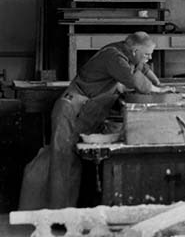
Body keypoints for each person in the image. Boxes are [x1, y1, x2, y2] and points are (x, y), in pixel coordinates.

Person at [19, 31, 172, 209]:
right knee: (62, 164)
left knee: (70, 165)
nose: (150, 57)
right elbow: (137, 83)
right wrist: (157, 90)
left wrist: (160, 85)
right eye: (147, 54)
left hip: (83, 111)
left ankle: (65, 214)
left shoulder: (127, 52)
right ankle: (57, 219)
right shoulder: (114, 56)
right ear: (135, 50)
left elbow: (144, 68)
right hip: (71, 111)